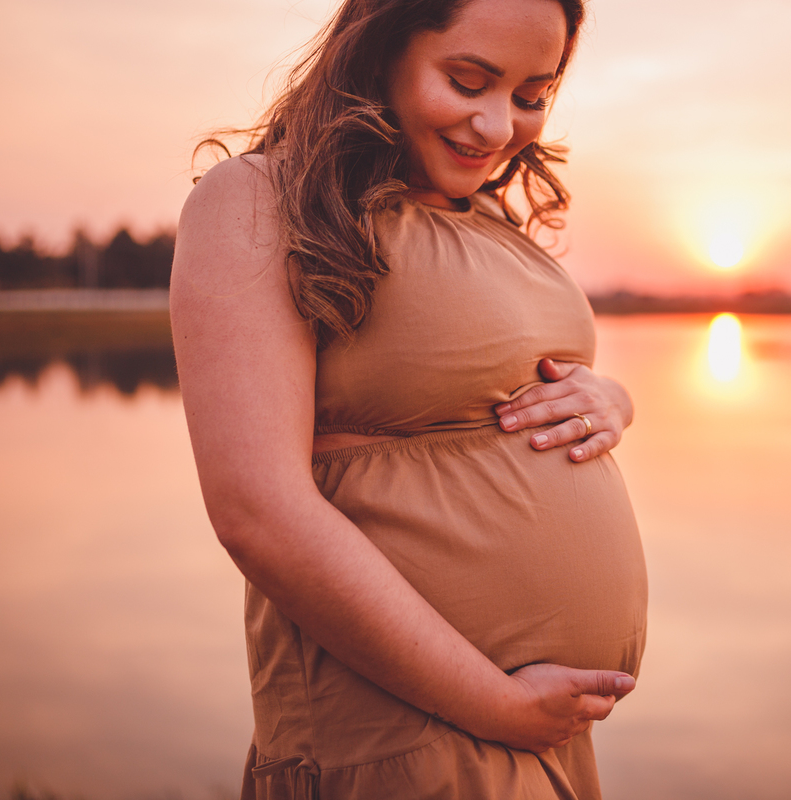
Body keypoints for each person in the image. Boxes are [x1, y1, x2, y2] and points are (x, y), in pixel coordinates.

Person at [170, 0, 647, 796]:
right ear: (379, 48)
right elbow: (258, 512)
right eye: (469, 81)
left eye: (532, 95)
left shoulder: (485, 214)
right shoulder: (255, 199)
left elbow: (516, 377)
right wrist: (492, 702)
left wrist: (614, 399)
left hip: (538, 740)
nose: (498, 127)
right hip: (403, 734)